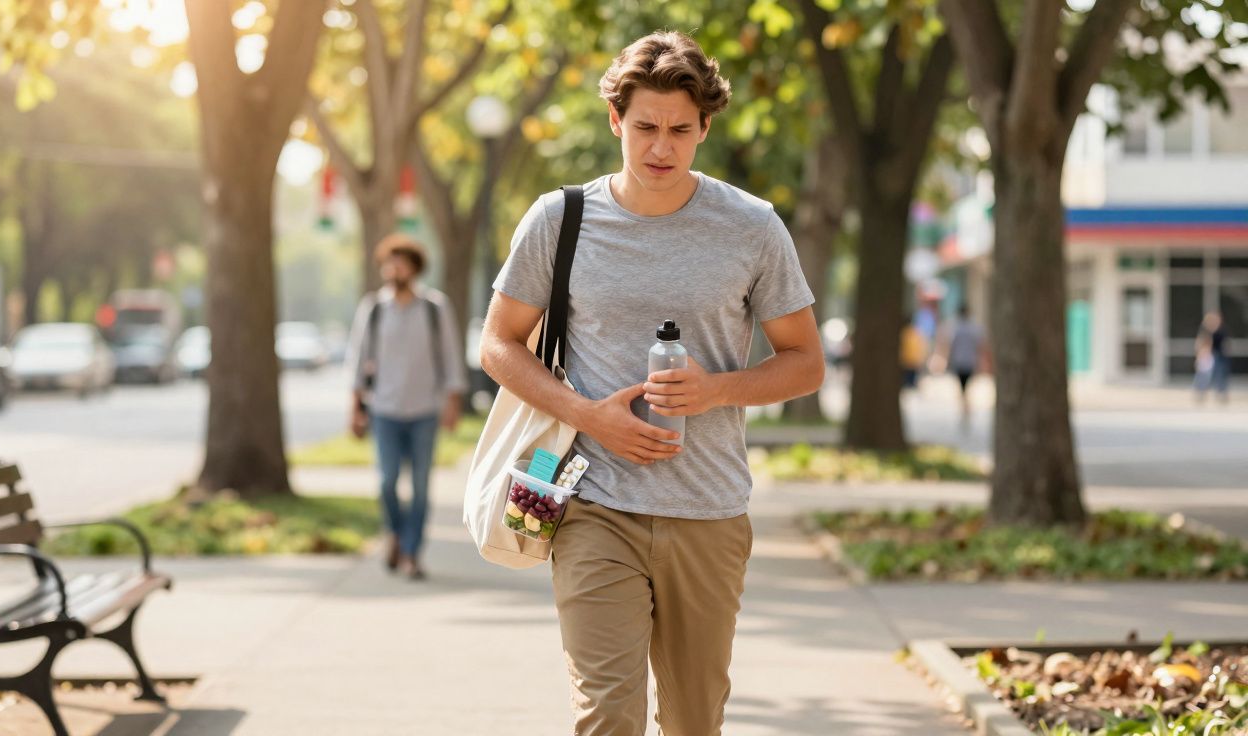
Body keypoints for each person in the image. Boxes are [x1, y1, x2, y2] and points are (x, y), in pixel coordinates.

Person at [480, 31, 825, 735]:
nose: (660, 148)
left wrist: (716, 390)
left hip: (709, 509)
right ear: (616, 121)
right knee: (607, 715)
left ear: (705, 128)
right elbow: (497, 343)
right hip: (588, 502)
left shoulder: (752, 227)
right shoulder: (559, 219)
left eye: (679, 130)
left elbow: (805, 361)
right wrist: (589, 414)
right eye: (644, 127)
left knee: (694, 720)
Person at [346, 233, 466, 581]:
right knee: (386, 481)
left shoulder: (434, 307)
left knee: (420, 487)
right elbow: (358, 361)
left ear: (414, 268)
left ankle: (412, 553)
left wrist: (453, 403)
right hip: (384, 410)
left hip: (425, 411)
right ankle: (395, 534)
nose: (393, 267)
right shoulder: (373, 309)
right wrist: (355, 408)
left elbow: (451, 358)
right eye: (389, 261)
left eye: (400, 261)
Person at [935, 304, 986, 428]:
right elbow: (981, 346)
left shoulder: (955, 328)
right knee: (966, 388)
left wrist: (944, 360)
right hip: (970, 362)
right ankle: (966, 409)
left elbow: (948, 345)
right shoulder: (975, 328)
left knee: (962, 388)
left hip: (959, 362)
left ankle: (964, 408)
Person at [1194, 311, 1230, 404]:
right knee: (1203, 376)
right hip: (1207, 356)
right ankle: (1201, 393)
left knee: (1220, 375)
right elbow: (1200, 342)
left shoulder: (1221, 330)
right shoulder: (1204, 330)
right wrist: (1200, 354)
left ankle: (1221, 394)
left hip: (1219, 356)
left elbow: (1224, 344)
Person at [900, 312, 928, 390]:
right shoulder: (915, 332)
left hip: (907, 359)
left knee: (908, 381)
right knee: (910, 380)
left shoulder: (905, 332)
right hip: (912, 359)